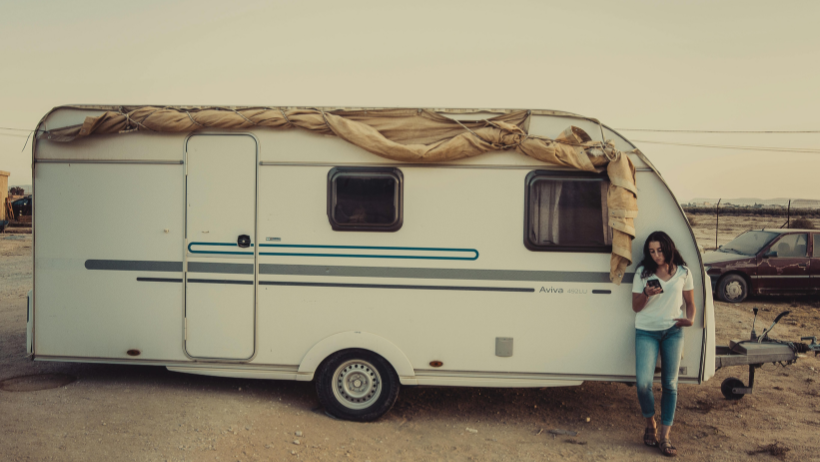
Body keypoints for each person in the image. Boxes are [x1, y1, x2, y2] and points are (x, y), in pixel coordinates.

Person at [631, 231, 695, 457]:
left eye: (659, 250)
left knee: (670, 384)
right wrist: (647, 294)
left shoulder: (684, 272)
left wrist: (691, 319)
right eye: (651, 251)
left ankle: (665, 436)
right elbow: (636, 307)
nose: (656, 255)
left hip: (673, 331)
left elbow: (690, 302)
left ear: (668, 248)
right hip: (646, 331)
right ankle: (651, 424)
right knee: (643, 384)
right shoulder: (642, 272)